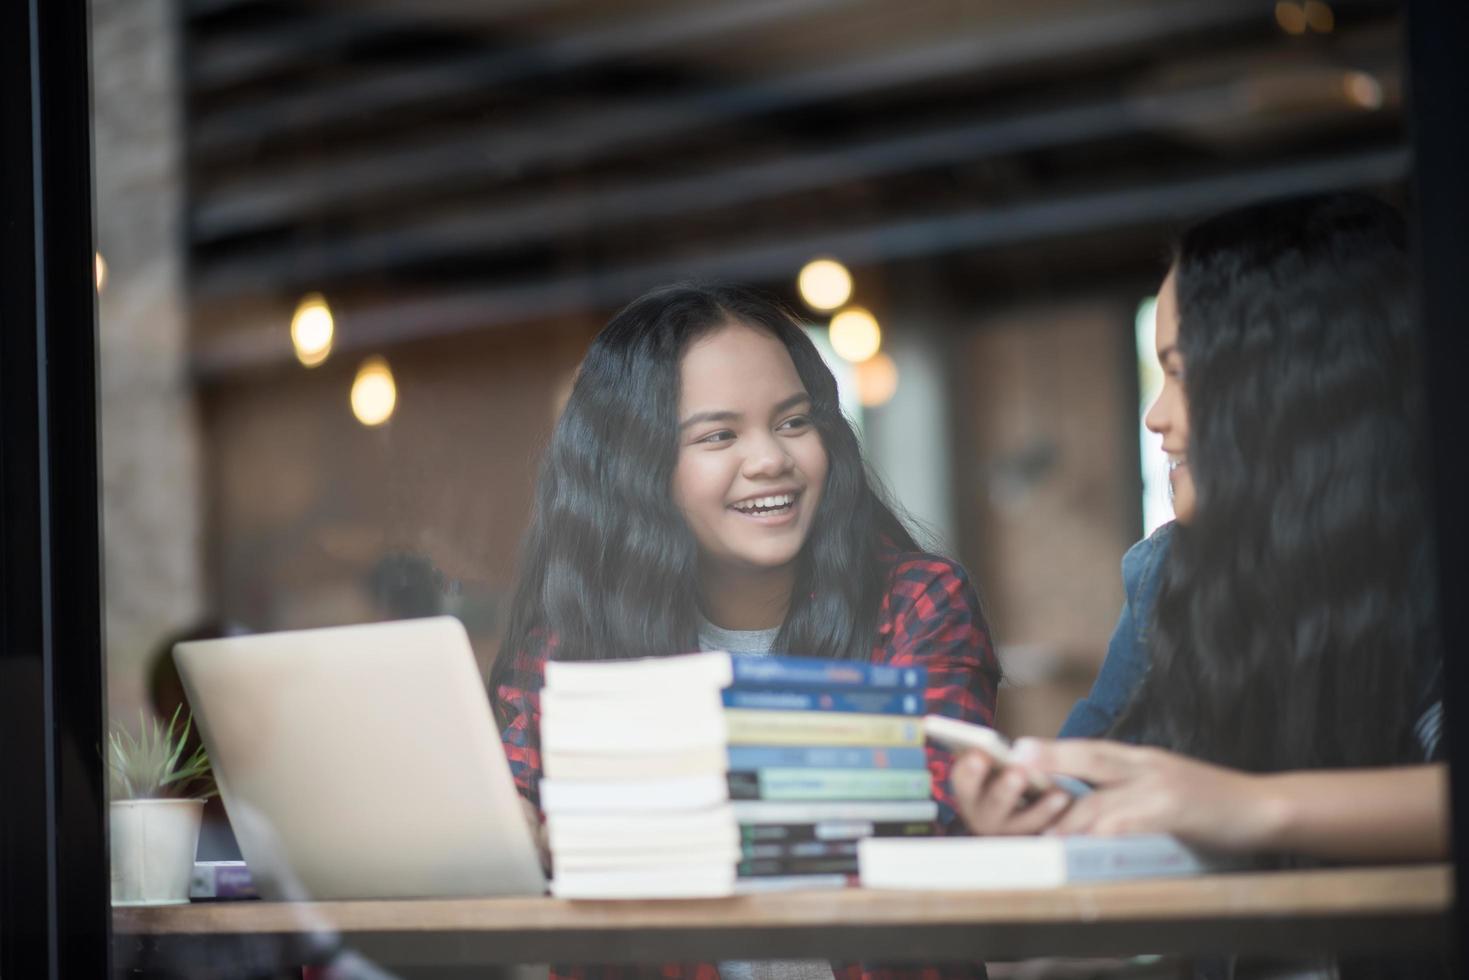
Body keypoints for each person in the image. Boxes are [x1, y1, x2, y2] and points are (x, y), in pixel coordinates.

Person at [951, 194, 1449, 976]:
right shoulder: (1165, 578)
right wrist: (1026, 805)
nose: (1155, 415)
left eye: (1182, 374)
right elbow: (1088, 770)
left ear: (1295, 382)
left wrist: (1248, 808)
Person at [489, 282, 1000, 980]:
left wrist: (608, 824)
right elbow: (510, 825)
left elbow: (935, 811)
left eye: (793, 422)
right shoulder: (570, 637)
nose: (770, 460)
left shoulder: (915, 602)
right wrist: (509, 832)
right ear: (637, 469)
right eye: (718, 435)